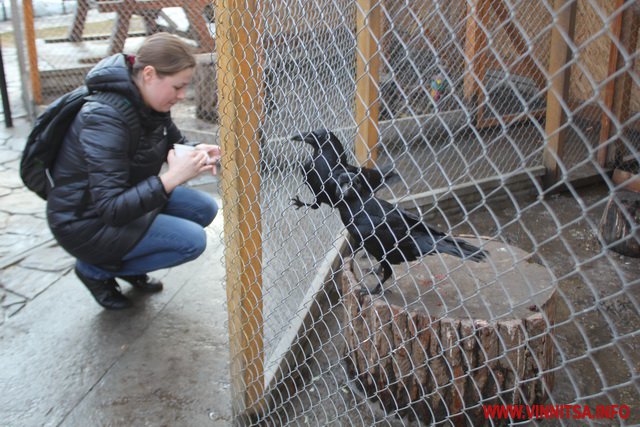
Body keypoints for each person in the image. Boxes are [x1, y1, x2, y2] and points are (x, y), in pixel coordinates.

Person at [46, 33, 221, 310]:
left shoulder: (147, 100)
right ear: (149, 74)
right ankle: (95, 270)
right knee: (192, 242)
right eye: (178, 87)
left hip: (125, 199)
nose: (181, 96)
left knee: (204, 208)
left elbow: (171, 142)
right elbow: (112, 208)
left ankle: (128, 262)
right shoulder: (104, 118)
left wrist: (196, 150)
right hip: (85, 222)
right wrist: (173, 177)